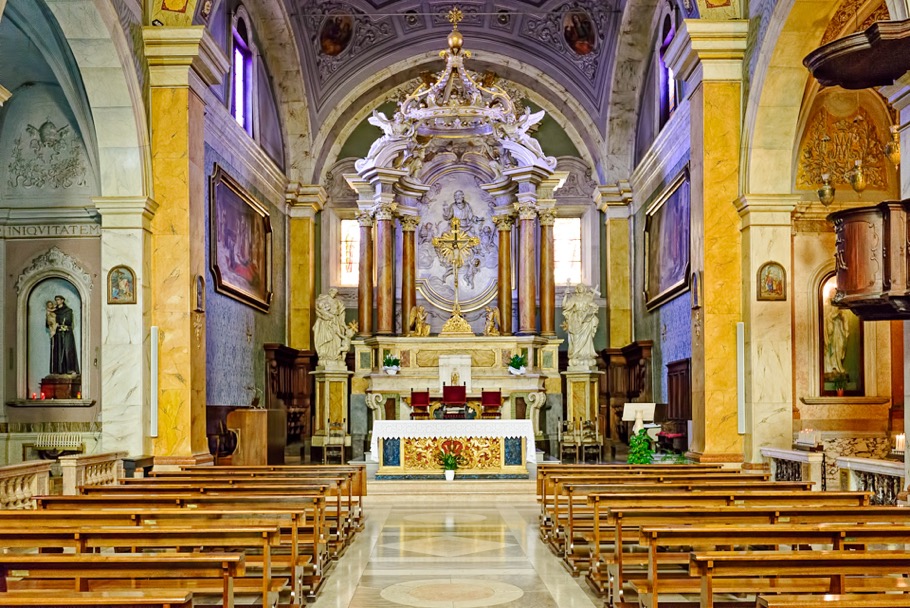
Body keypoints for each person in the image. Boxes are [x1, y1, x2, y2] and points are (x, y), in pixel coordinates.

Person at [561, 283, 599, 369]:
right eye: (579, 287)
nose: (580, 288)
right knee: (576, 337)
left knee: (587, 338)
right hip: (576, 320)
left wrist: (592, 309)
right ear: (577, 289)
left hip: (586, 321)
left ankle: (586, 355)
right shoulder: (574, 298)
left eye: (582, 287)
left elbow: (594, 307)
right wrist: (566, 296)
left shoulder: (588, 298)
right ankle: (576, 354)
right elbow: (565, 306)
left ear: (584, 289)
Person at [313, 289, 353, 365]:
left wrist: (344, 326)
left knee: (336, 339)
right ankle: (325, 355)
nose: (334, 294)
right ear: (330, 292)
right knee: (325, 337)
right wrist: (325, 315)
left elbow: (341, 315)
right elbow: (318, 309)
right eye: (333, 292)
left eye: (335, 293)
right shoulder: (323, 299)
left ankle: (335, 356)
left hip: (335, 321)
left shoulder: (338, 302)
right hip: (325, 322)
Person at [51, 295, 79, 375]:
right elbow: (50, 322)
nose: (57, 301)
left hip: (67, 332)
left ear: (62, 300)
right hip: (58, 333)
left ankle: (70, 369)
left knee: (68, 350)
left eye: (58, 299)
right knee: (58, 350)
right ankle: (58, 370)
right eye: (56, 300)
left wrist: (62, 323)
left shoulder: (68, 310)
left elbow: (68, 320)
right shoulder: (54, 312)